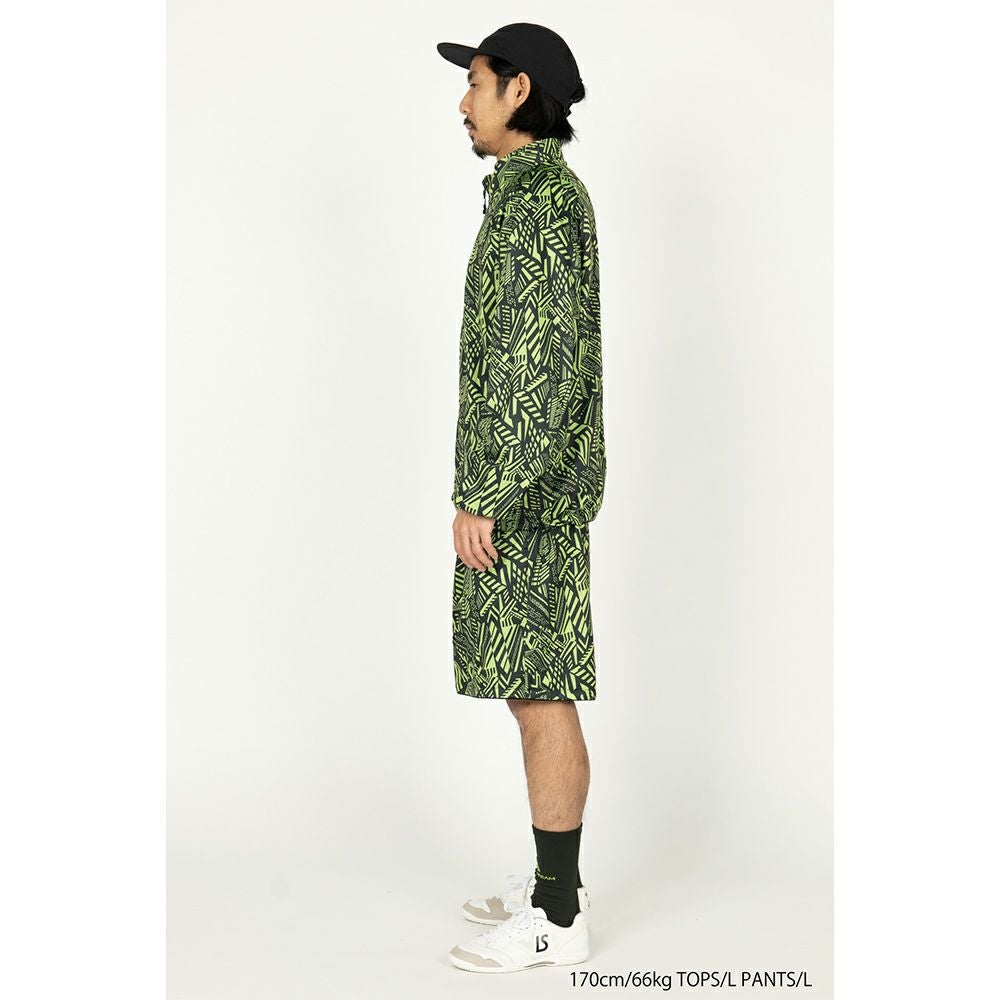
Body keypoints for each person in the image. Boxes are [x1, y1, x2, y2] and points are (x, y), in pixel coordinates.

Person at [436, 22, 608, 974]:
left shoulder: (540, 207)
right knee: (528, 687)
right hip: (527, 489)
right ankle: (554, 883)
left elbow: (539, 372)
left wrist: (487, 494)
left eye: (476, 83)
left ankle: (558, 917)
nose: (463, 102)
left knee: (540, 692)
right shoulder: (528, 195)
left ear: (519, 90)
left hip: (528, 497)